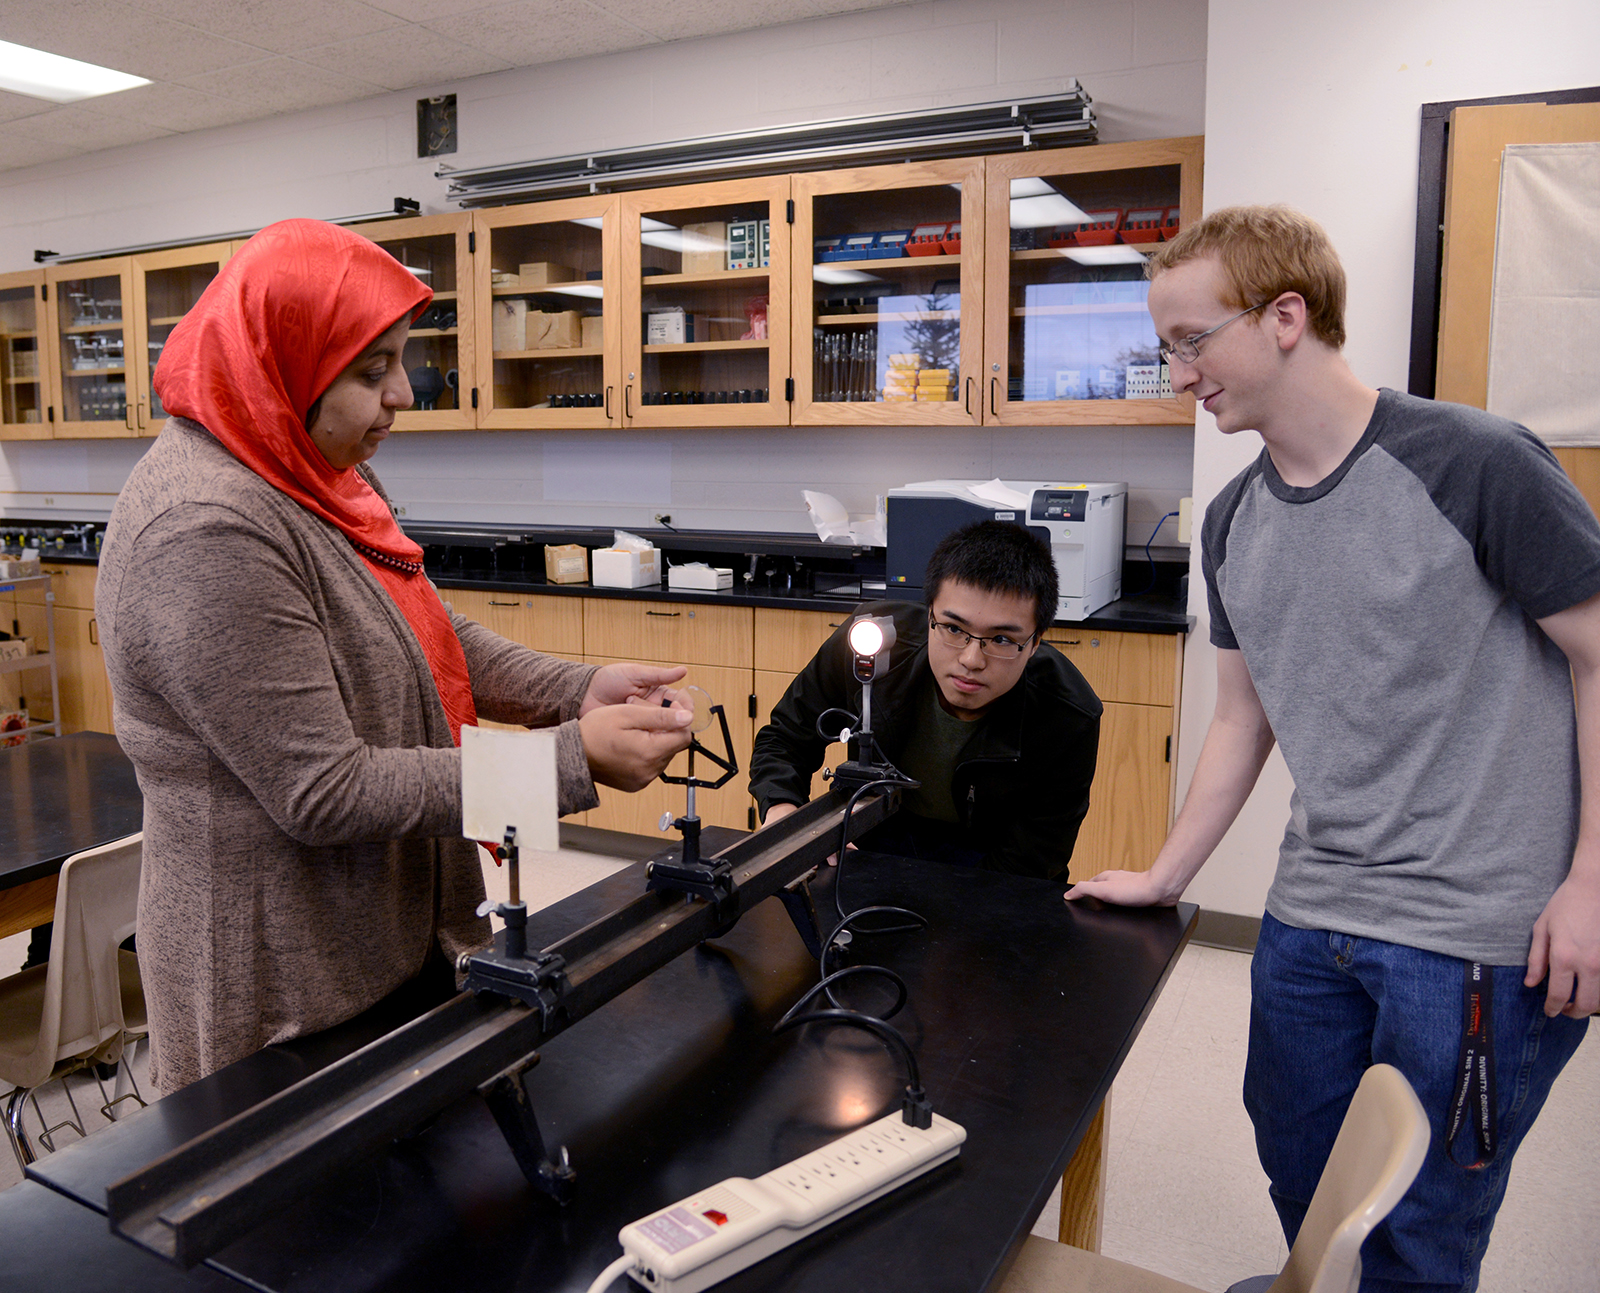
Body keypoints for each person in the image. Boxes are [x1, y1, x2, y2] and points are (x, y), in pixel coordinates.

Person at [1067, 205, 1600, 1290]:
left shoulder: (1475, 462)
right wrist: (1168, 875)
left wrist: (1591, 883)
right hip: (1310, 917)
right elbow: (1242, 718)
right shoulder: (1231, 522)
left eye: (1189, 340)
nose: (1178, 375)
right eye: (1165, 347)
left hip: (1472, 935)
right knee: (1311, 1196)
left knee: (1418, 1226)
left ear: (1285, 317)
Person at [97, 219, 695, 1095]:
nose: (404, 394)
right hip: (286, 990)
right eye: (372, 371)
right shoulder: (205, 527)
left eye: (400, 362)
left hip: (395, 930)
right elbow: (322, 790)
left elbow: (422, 631)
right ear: (285, 363)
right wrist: (569, 759)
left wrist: (577, 690)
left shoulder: (317, 468)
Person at [749, 520, 1101, 880]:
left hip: (993, 863)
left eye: (1001, 640)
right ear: (930, 612)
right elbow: (786, 738)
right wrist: (784, 817)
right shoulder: (871, 645)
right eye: (953, 629)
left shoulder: (1067, 713)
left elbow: (1031, 860)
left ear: (1035, 642)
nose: (971, 660)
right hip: (874, 837)